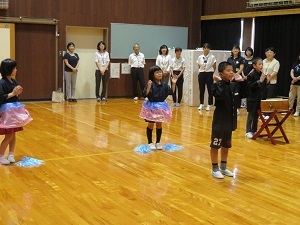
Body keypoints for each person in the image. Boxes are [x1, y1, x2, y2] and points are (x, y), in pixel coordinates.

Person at [210, 61, 247, 179]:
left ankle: (223, 167)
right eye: (228, 70)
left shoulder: (234, 85)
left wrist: (242, 81)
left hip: (230, 120)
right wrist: (219, 83)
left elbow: (244, 95)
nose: (231, 72)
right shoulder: (216, 85)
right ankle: (214, 168)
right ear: (221, 74)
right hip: (219, 121)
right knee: (215, 145)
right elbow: (219, 97)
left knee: (226, 146)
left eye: (232, 70)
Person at [0, 59, 32, 165]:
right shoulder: (2, 82)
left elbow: (14, 96)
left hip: (14, 110)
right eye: (14, 68)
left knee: (13, 134)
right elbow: (2, 98)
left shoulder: (14, 81)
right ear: (9, 69)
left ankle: (11, 154)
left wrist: (17, 92)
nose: (16, 70)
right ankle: (0, 155)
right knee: (9, 135)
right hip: (6, 112)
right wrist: (13, 93)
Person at [139, 66, 177, 150]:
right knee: (151, 124)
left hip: (161, 107)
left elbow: (171, 92)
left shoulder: (164, 85)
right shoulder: (150, 83)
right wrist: (148, 86)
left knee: (159, 124)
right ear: (152, 75)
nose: (159, 74)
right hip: (152, 106)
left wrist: (174, 83)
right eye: (157, 72)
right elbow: (145, 94)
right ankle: (150, 142)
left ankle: (158, 142)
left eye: (160, 72)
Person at [245, 58, 266, 139]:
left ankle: (254, 130)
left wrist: (265, 80)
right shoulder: (251, 75)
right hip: (252, 98)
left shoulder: (261, 74)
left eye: (262, 64)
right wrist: (259, 81)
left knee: (257, 115)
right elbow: (250, 86)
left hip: (259, 98)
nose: (261, 66)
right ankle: (248, 131)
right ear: (254, 65)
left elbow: (263, 86)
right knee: (251, 115)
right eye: (259, 64)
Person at [197, 43, 216, 111]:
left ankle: (209, 104)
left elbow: (214, 66)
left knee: (210, 90)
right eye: (205, 48)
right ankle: (201, 104)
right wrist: (202, 70)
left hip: (209, 74)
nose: (206, 49)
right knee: (201, 89)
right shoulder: (200, 57)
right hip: (202, 73)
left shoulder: (212, 57)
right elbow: (199, 65)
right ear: (203, 49)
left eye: (207, 48)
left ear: (209, 49)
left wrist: (211, 72)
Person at [227, 45, 245, 114]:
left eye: (237, 49)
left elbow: (241, 69)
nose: (235, 50)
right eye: (234, 49)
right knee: (230, 93)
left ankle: (237, 108)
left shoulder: (241, 59)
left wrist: (235, 75)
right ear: (232, 50)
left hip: (237, 79)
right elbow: (227, 68)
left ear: (239, 51)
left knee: (237, 93)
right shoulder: (229, 59)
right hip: (230, 78)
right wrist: (230, 75)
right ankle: (231, 107)